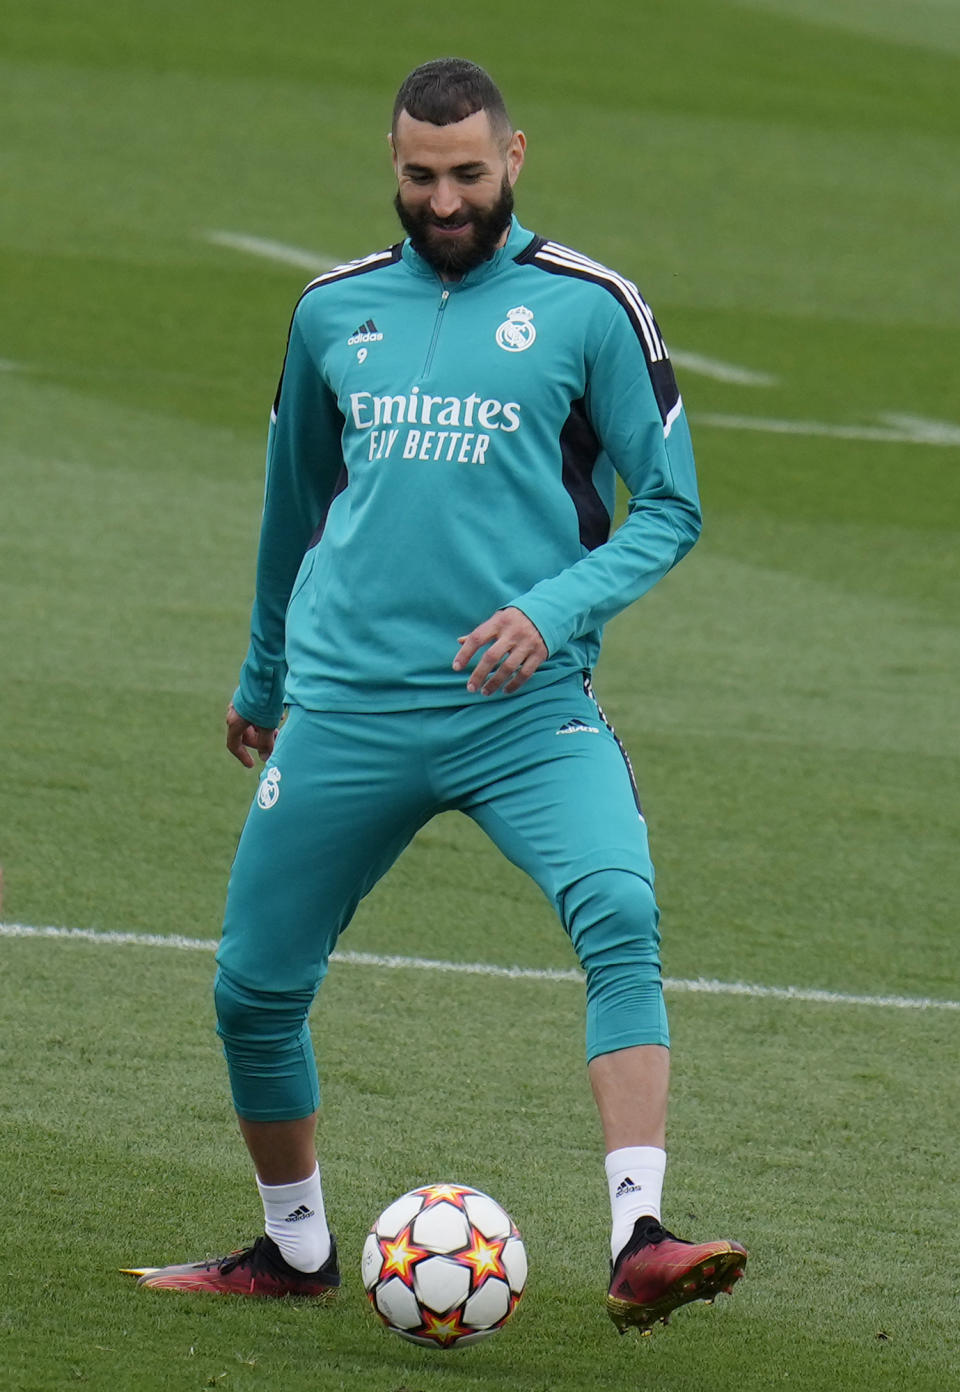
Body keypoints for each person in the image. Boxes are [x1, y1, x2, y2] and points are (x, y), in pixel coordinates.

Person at [128, 57, 746, 1332]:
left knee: (619, 906)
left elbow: (671, 507)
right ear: (392, 165)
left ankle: (640, 1234)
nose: (445, 197)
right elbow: (292, 511)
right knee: (251, 987)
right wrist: (263, 676)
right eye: (420, 175)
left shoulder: (590, 309)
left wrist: (552, 609)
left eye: (469, 173)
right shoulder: (329, 313)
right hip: (348, 705)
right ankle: (293, 1248)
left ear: (516, 159)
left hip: (525, 710)